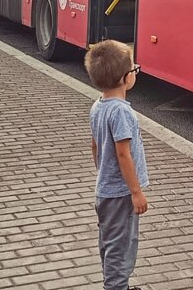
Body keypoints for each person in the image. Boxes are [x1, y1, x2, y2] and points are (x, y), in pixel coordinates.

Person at [85, 40, 148, 290]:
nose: (135, 73)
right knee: (121, 249)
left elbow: (95, 147)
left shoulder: (97, 106)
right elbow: (124, 154)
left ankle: (116, 284)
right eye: (134, 69)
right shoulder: (122, 112)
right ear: (126, 78)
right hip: (121, 195)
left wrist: (103, 173)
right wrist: (136, 192)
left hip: (106, 192)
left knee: (110, 243)